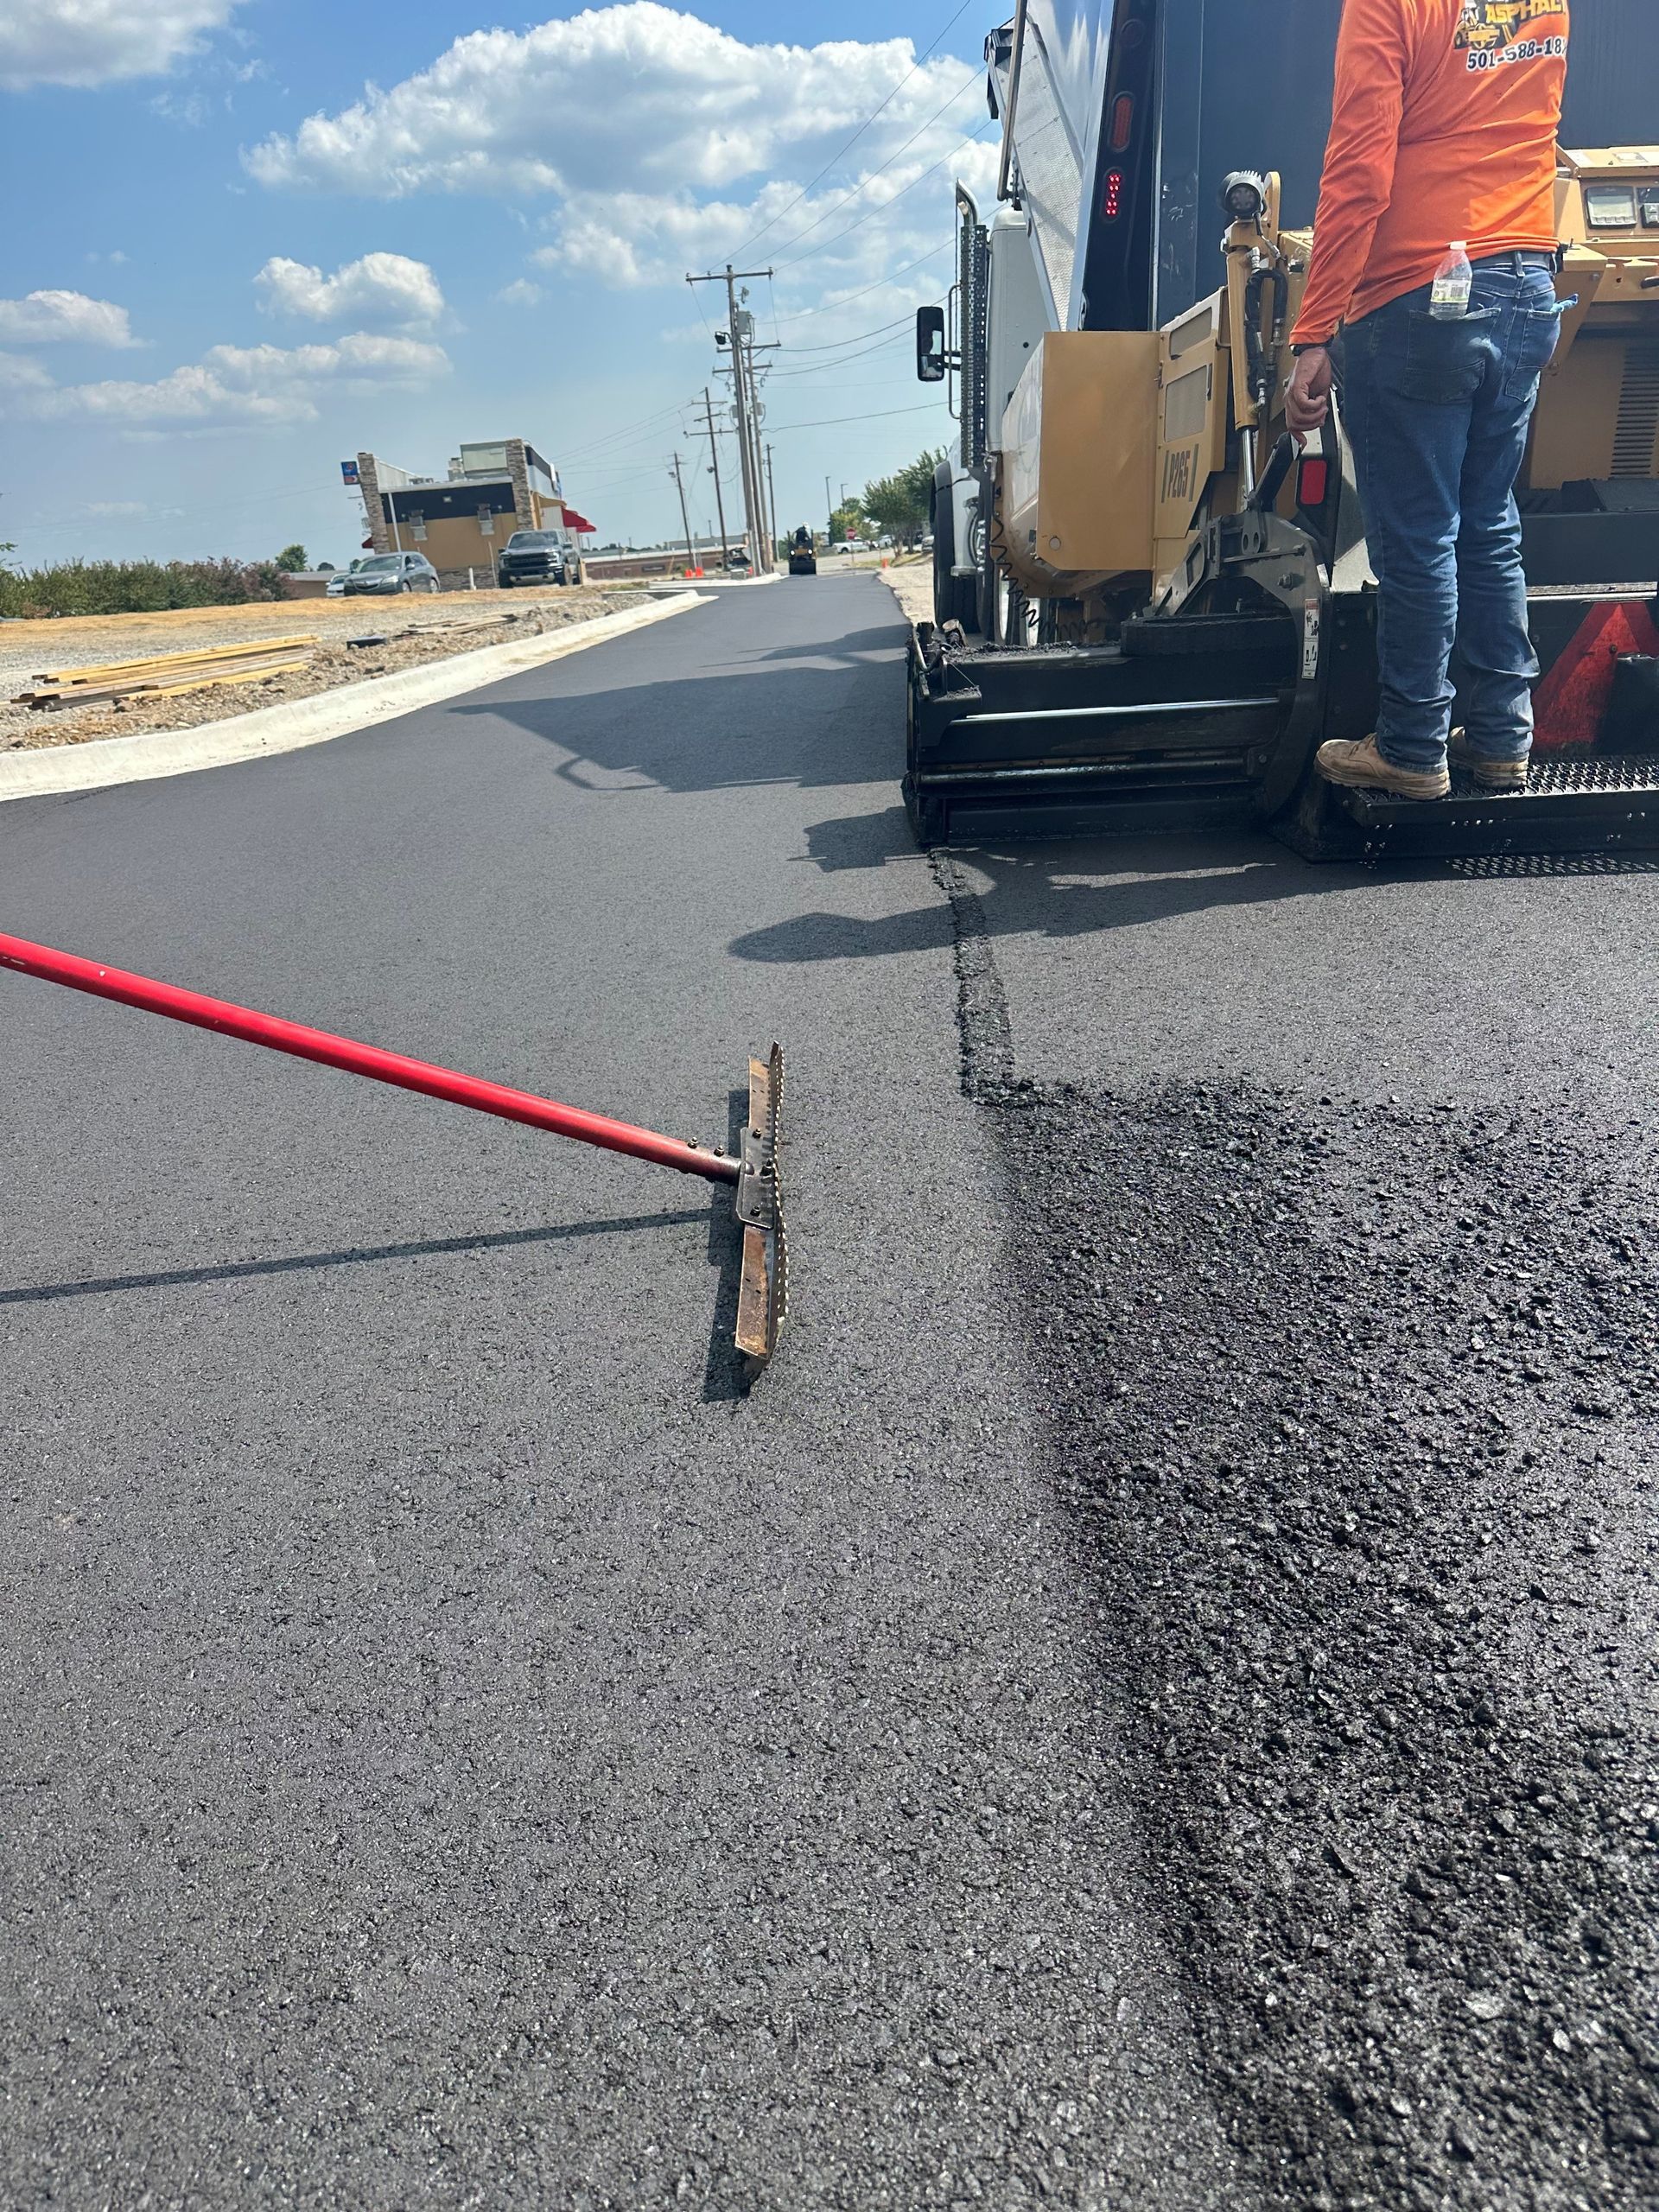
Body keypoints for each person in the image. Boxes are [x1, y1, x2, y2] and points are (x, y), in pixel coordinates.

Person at [1284, 0, 1570, 800]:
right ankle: (1502, 738)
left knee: (1420, 536)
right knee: (1490, 523)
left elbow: (1359, 170)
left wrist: (1314, 331)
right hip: (1526, 283)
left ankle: (1411, 747)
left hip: (1416, 292)